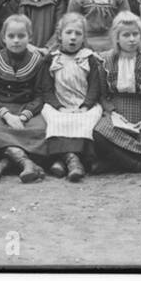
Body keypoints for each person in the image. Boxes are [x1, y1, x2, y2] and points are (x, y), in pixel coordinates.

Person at [0, 15, 50, 182]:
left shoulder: (38, 61)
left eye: (21, 36)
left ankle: (3, 163)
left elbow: (40, 95)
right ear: (4, 38)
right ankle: (26, 163)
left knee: (41, 131)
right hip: (0, 109)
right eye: (11, 36)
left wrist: (24, 116)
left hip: (27, 109)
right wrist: (6, 115)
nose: (16, 41)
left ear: (30, 37)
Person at [93, 12, 141, 175]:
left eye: (135, 34)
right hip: (115, 111)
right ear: (117, 38)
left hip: (140, 110)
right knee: (98, 134)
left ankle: (114, 163)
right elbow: (103, 96)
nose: (132, 39)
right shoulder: (104, 60)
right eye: (126, 35)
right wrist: (112, 113)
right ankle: (139, 166)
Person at [38, 12, 103, 182]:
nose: (73, 38)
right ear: (59, 35)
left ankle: (63, 161)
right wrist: (59, 107)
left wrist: (85, 106)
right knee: (55, 120)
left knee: (87, 121)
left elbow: (95, 87)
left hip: (84, 104)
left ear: (83, 38)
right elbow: (46, 89)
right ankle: (72, 160)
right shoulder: (51, 59)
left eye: (78, 34)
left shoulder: (89, 58)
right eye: (68, 33)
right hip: (59, 104)